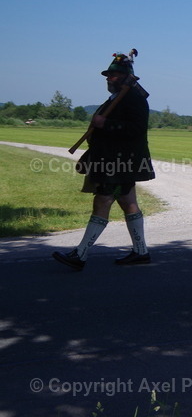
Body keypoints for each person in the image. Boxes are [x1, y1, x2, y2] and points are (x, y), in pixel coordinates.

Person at [54, 50, 156, 270]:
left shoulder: (134, 99)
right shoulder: (115, 98)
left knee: (103, 200)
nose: (109, 78)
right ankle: (141, 252)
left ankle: (80, 254)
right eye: (108, 75)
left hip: (121, 162)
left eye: (113, 75)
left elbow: (136, 129)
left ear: (126, 77)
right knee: (128, 202)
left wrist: (105, 124)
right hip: (111, 160)